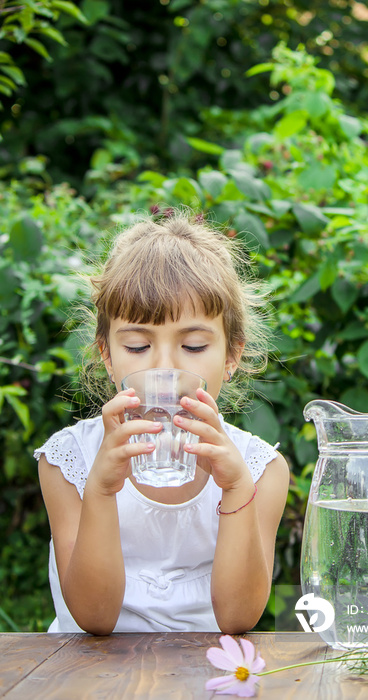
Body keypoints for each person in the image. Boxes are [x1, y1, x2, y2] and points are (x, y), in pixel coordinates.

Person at [35, 211, 290, 636]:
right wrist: (100, 489)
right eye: (137, 346)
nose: (165, 370)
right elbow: (94, 619)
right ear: (106, 353)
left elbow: (239, 618)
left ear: (231, 356)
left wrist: (236, 490)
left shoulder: (260, 470)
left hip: (207, 674)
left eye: (192, 345)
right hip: (86, 678)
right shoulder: (70, 462)